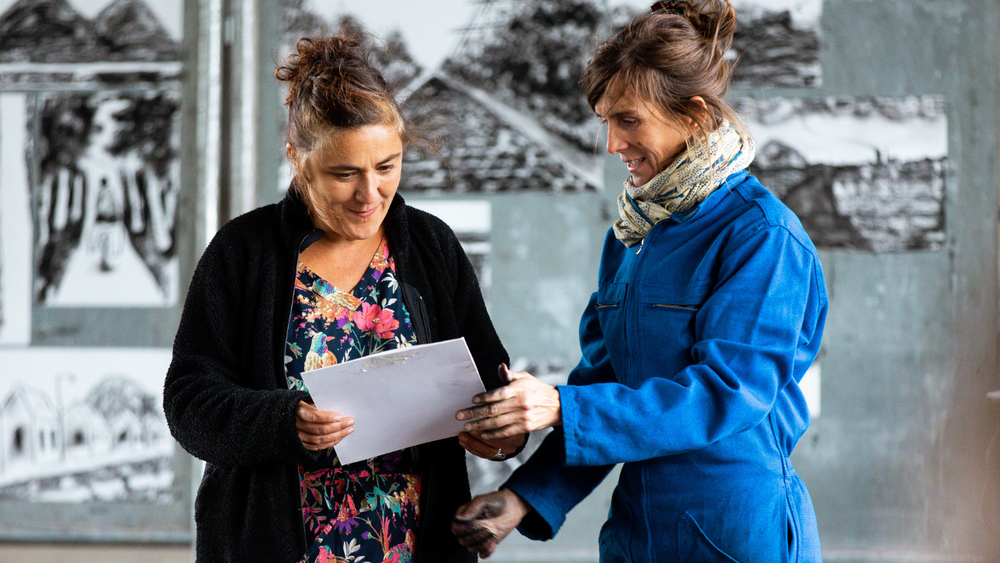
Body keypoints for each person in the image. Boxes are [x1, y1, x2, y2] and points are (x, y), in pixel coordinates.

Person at [452, 1, 828, 561]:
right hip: (636, 533)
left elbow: (729, 392)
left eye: (629, 120)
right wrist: (522, 498)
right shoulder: (632, 236)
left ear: (695, 115)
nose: (611, 144)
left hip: (734, 533)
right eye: (606, 120)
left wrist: (559, 406)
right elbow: (605, 384)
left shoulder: (763, 235)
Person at [164, 32, 525, 563]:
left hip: (413, 544)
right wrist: (284, 421)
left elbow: (491, 380)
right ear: (297, 158)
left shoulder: (432, 247)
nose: (370, 195)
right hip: (274, 545)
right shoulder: (243, 252)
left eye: (387, 167)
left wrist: (502, 434)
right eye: (344, 174)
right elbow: (189, 403)